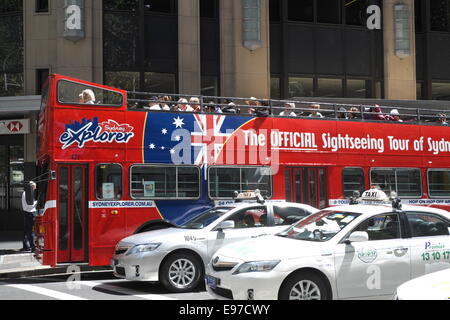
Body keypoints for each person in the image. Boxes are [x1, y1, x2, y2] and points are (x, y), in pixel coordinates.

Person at [21, 181, 37, 252]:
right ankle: (32, 246)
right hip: (30, 213)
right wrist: (37, 202)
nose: (34, 189)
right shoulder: (27, 194)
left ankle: (25, 246)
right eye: (34, 187)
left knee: (26, 230)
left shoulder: (25, 193)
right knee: (31, 230)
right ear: (31, 187)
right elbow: (30, 205)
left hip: (27, 213)